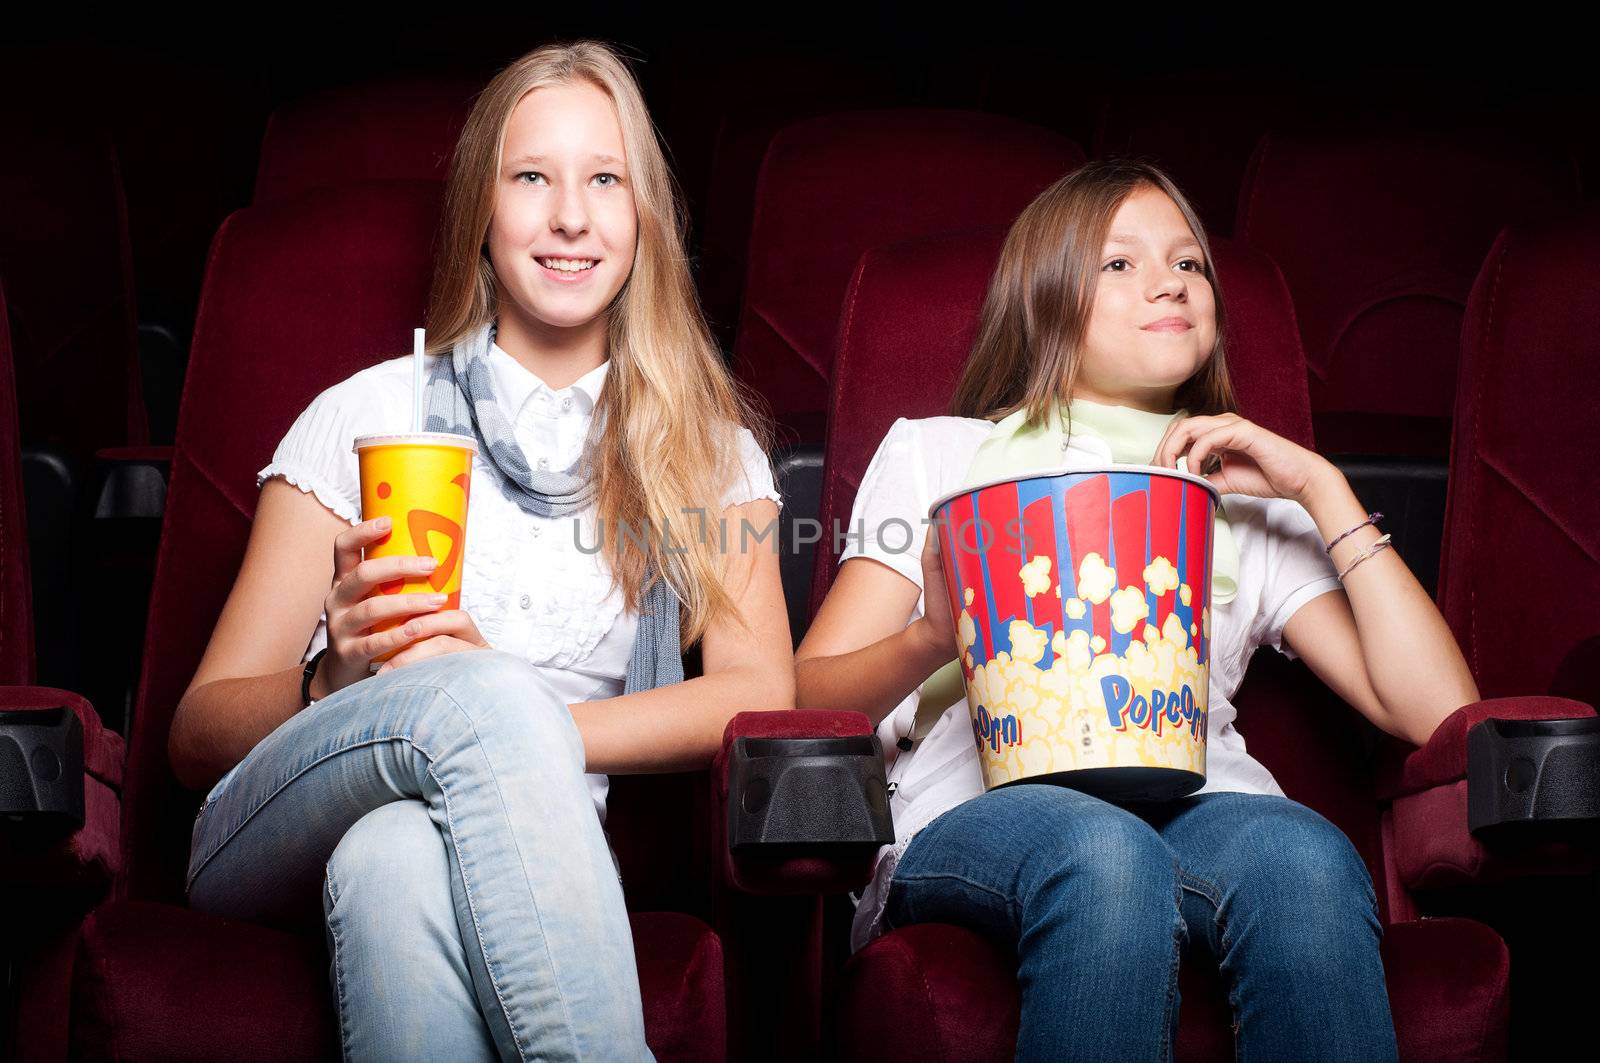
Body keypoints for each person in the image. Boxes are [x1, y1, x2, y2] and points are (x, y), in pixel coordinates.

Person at [168, 41, 793, 1062]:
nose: (570, 217)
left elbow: (754, 691)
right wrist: (337, 676)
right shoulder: (368, 411)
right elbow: (196, 738)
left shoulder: (706, 449)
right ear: (482, 211)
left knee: (398, 857)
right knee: (478, 706)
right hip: (280, 822)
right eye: (531, 178)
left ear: (643, 220)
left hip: (511, 851)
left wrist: (522, 730)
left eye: (605, 180)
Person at [794, 159, 1480, 1062]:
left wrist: (1321, 488)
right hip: (981, 812)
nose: (1169, 281)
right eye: (1119, 263)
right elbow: (808, 699)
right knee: (1106, 853)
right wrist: (934, 632)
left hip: (1202, 802)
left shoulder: (1247, 497)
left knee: (1306, 857)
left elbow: (1437, 712)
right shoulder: (939, 457)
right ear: (1045, 298)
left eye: (1189, 263)